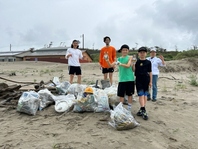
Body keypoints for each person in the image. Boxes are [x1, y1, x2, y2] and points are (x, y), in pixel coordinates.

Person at [105, 44, 135, 111]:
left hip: (130, 79)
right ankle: (121, 108)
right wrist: (107, 59)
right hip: (122, 79)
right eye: (123, 50)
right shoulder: (118, 59)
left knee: (130, 94)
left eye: (126, 50)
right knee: (121, 95)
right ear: (121, 51)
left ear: (128, 51)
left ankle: (129, 108)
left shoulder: (130, 57)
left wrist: (120, 64)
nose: (125, 51)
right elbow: (110, 65)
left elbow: (128, 65)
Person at [135, 47, 152, 120]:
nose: (142, 54)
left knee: (145, 95)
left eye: (143, 52)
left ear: (146, 53)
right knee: (141, 94)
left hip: (146, 79)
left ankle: (142, 109)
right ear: (138, 53)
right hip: (139, 79)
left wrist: (151, 81)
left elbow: (150, 72)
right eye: (140, 52)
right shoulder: (137, 62)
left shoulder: (148, 62)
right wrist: (133, 64)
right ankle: (143, 109)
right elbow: (134, 70)